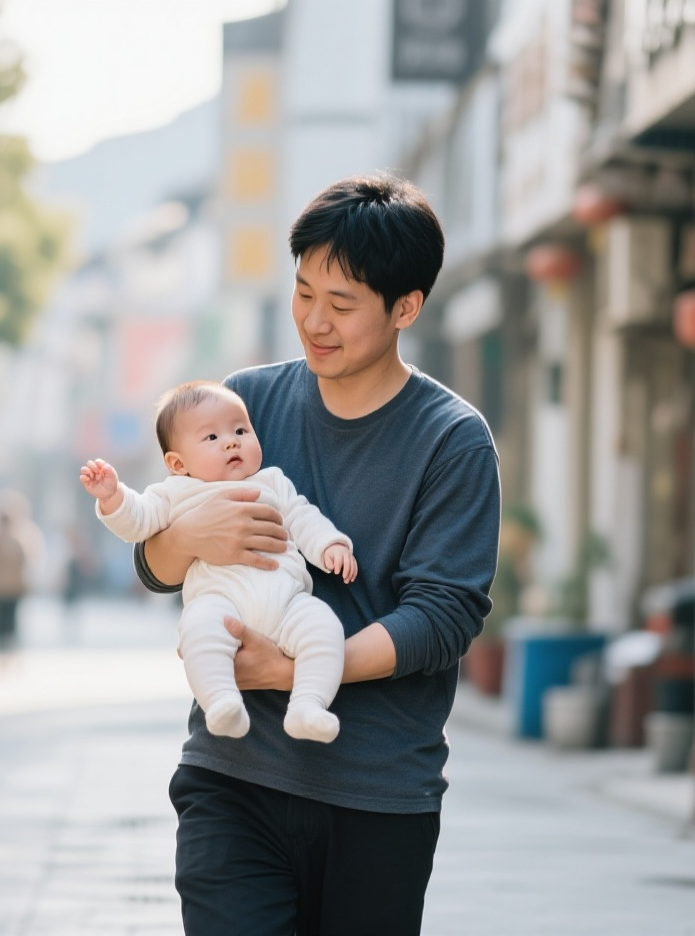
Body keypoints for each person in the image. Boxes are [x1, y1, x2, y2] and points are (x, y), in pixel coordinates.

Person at [137, 173, 500, 936]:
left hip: (376, 792)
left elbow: (443, 617)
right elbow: (154, 560)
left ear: (406, 308)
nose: (314, 322)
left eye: (341, 306)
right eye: (304, 293)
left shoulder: (450, 438)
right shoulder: (245, 405)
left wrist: (297, 668)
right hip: (231, 776)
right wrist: (186, 538)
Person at [80, 381, 358, 743]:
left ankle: (308, 705)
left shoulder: (272, 482)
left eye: (241, 430)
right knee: (198, 629)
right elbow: (139, 521)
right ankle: (221, 702)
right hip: (220, 602)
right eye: (211, 438)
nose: (231, 441)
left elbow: (303, 518)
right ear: (178, 463)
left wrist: (329, 545)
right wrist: (114, 497)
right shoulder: (176, 492)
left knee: (324, 628)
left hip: (288, 602)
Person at [0, 492, 40, 654]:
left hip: (13, 586)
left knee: (11, 615)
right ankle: (2, 643)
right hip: (1, 586)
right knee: (1, 615)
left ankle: (9, 643)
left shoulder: (17, 541)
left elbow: (24, 564)